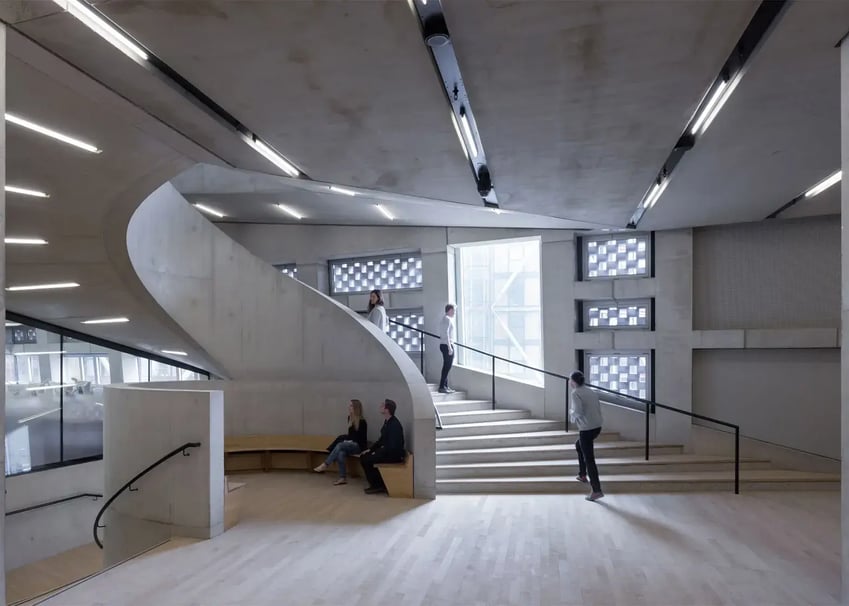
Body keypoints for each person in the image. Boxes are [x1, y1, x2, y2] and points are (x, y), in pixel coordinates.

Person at [314, 399, 368, 485]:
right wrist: (348, 440)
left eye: (350, 405)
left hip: (358, 446)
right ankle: (342, 478)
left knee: (340, 445)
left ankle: (326, 464)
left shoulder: (362, 422)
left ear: (355, 407)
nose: (348, 407)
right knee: (340, 453)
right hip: (350, 444)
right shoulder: (350, 418)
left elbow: (361, 439)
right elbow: (351, 435)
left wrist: (349, 441)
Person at [569, 370, 604, 501]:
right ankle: (582, 474)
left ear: (573, 381)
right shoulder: (590, 391)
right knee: (579, 446)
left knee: (589, 459)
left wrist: (571, 414)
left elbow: (577, 412)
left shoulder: (576, 393)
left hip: (586, 429)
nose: (569, 382)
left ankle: (597, 490)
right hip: (597, 427)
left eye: (570, 380)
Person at [360, 399, 406, 495]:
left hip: (394, 455)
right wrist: (370, 450)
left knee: (367, 460)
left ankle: (378, 485)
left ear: (387, 409)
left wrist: (376, 452)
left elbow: (392, 446)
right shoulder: (387, 422)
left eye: (382, 405)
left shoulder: (394, 425)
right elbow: (381, 440)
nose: (380, 406)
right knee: (364, 457)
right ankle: (377, 484)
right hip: (387, 452)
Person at [438, 303, 456, 394]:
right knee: (447, 366)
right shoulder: (447, 319)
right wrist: (450, 347)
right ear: (449, 310)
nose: (454, 312)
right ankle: (442, 386)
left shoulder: (445, 319)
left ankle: (445, 385)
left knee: (447, 366)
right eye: (453, 310)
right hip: (446, 345)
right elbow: (446, 334)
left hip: (445, 344)